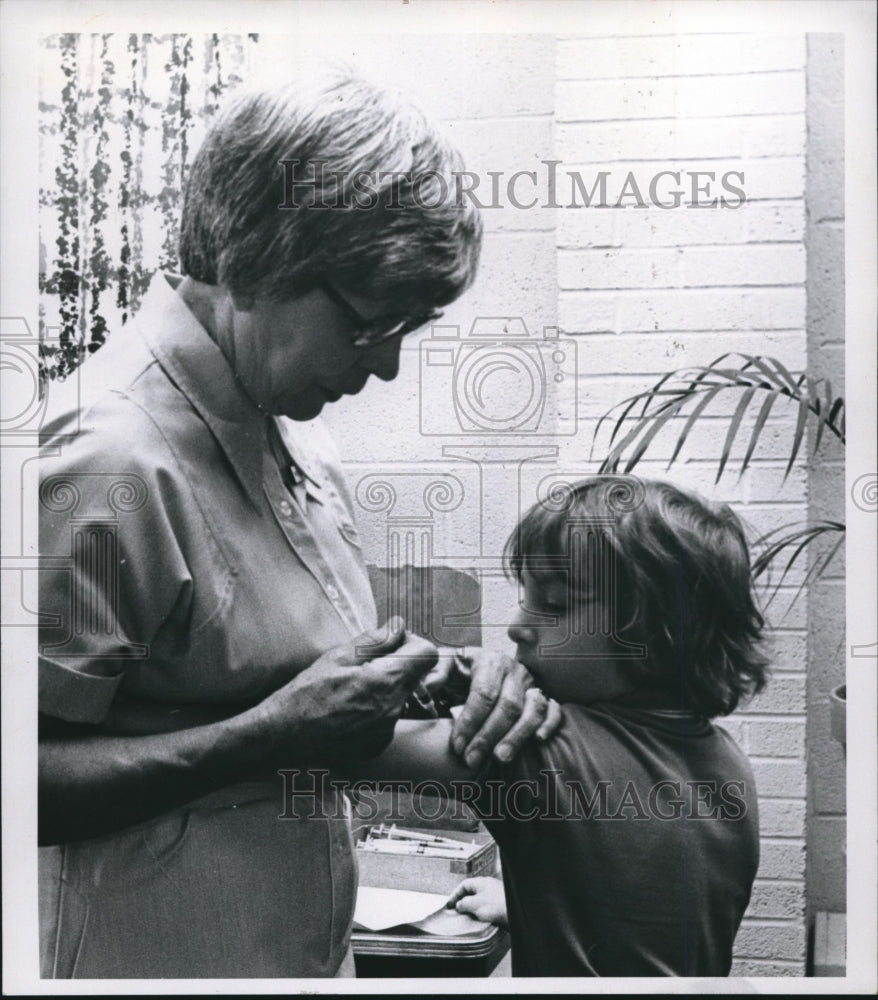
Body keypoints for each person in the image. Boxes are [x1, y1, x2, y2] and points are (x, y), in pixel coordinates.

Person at [37, 70, 560, 979]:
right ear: (258, 260)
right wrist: (272, 732)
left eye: (410, 325)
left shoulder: (296, 450)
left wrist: (470, 711)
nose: (390, 365)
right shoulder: (110, 460)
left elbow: (307, 727)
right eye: (370, 323)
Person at [343, 476, 768, 976]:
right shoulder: (729, 762)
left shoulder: (540, 748)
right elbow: (646, 916)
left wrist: (435, 670)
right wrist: (521, 905)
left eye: (554, 604)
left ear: (655, 631)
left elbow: (339, 742)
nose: (517, 625)